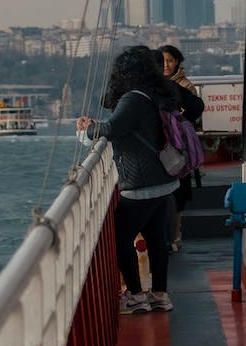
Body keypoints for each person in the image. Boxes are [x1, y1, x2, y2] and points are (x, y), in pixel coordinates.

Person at [77, 46, 187, 314]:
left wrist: (86, 127)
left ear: (125, 72)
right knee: (157, 240)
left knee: (119, 239)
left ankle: (137, 297)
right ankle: (160, 295)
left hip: (140, 184)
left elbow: (111, 129)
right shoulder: (157, 94)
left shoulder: (132, 99)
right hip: (163, 180)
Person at [161, 44, 200, 248]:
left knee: (178, 194)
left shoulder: (185, 87)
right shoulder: (156, 86)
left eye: (170, 60)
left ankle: (176, 235)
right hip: (163, 148)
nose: (166, 65)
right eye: (162, 60)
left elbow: (191, 114)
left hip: (179, 147)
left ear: (177, 62)